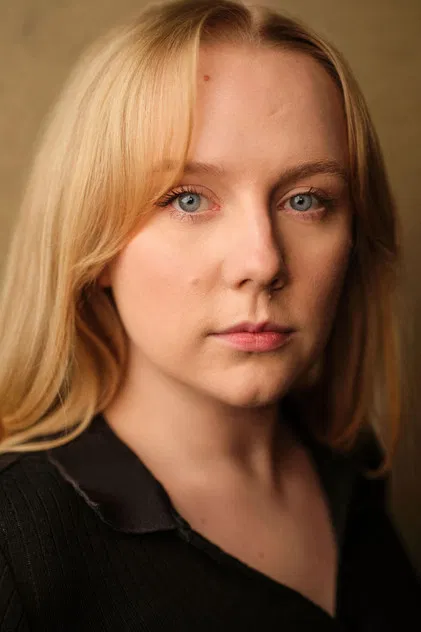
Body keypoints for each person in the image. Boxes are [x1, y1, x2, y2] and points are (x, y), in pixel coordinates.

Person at [0, 0, 419, 629]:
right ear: (95, 242)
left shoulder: (350, 464)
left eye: (306, 199)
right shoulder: (17, 539)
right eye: (188, 199)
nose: (262, 262)